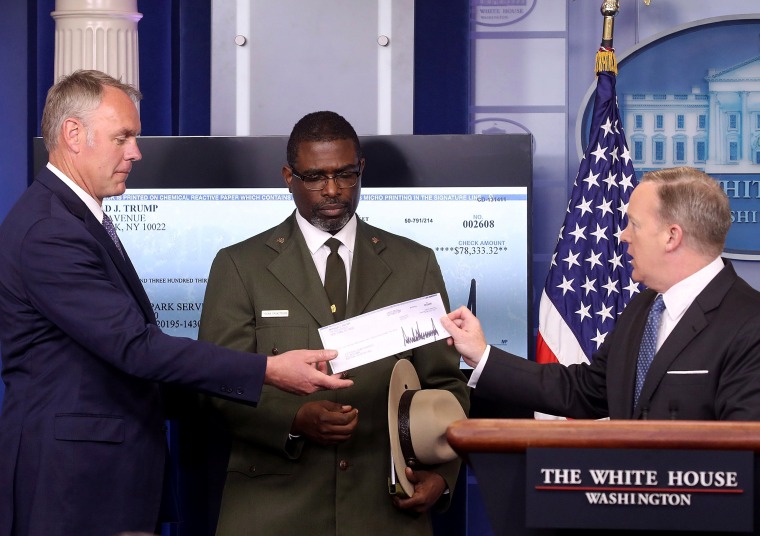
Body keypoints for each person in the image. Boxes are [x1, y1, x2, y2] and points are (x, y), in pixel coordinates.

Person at [0, 71, 351, 536]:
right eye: (123, 137)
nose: (136, 153)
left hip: (100, 477)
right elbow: (135, 347)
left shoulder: (72, 218)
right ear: (72, 134)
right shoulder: (50, 230)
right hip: (74, 484)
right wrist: (268, 371)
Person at [198, 110, 469, 535]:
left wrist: (442, 476)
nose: (332, 190)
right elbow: (218, 385)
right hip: (272, 512)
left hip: (386, 510)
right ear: (289, 176)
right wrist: (295, 418)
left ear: (361, 170)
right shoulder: (239, 266)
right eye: (314, 177)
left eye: (345, 175)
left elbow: (445, 387)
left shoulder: (414, 264)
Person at [441, 166, 760, 421]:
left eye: (633, 224)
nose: (623, 236)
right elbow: (587, 390)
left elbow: (744, 458)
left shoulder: (750, 325)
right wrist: (481, 354)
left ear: (671, 236)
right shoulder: (644, 308)